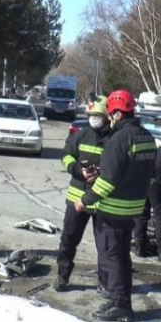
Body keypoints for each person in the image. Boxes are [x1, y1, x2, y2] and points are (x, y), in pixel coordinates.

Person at [74, 89, 157, 322]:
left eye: (111, 114)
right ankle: (119, 299)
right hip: (133, 206)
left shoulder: (119, 139)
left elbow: (108, 182)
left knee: (112, 256)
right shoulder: (146, 137)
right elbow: (142, 170)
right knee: (121, 256)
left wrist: (85, 200)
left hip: (113, 208)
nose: (109, 118)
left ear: (118, 114)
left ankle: (120, 305)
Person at [54, 96, 111, 295]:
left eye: (97, 115)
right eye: (91, 115)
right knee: (68, 239)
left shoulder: (114, 139)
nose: (94, 119)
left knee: (105, 247)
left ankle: (104, 282)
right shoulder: (81, 135)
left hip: (103, 202)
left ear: (107, 116)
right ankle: (62, 275)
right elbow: (66, 155)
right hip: (77, 199)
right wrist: (78, 170)